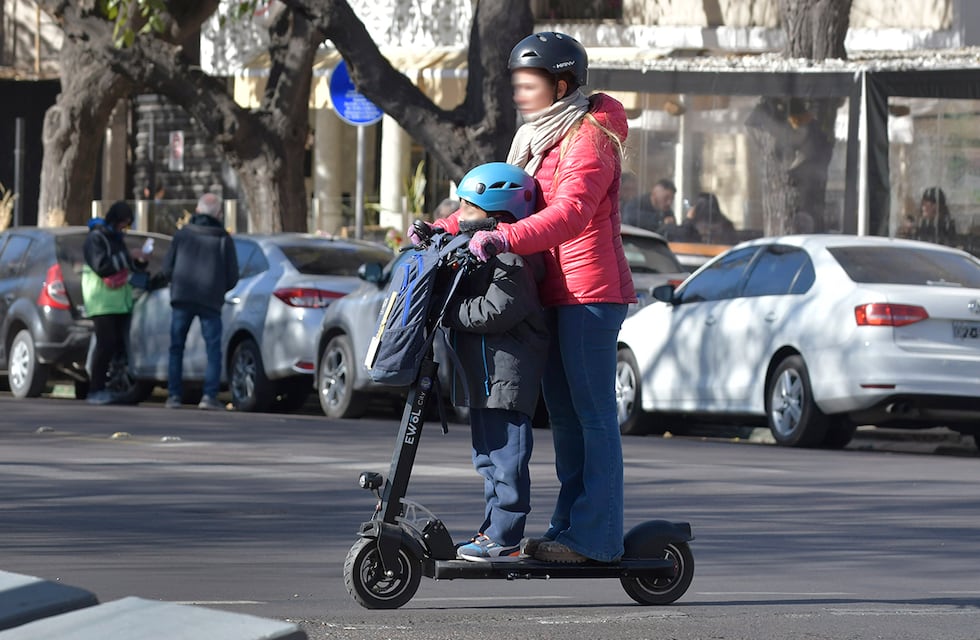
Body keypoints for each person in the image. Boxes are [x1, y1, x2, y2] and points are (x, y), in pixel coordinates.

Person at [426, 32, 634, 564]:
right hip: (552, 290)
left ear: (561, 85)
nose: (519, 93)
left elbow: (570, 213)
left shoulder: (590, 136)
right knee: (564, 419)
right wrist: (442, 228)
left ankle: (597, 537)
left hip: (589, 293)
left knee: (592, 418)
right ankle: (568, 528)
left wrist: (504, 239)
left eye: (530, 83)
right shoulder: (539, 138)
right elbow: (504, 202)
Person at [444, 163, 549, 562]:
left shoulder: (513, 259)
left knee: (507, 461)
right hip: (487, 378)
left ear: (497, 213)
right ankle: (491, 531)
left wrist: (450, 310)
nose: (460, 217)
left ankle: (505, 536)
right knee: (487, 459)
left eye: (467, 209)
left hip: (507, 378)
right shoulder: (485, 254)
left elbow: (494, 311)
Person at [160, 193, 239, 410]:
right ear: (219, 214)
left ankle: (174, 396)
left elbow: (167, 268)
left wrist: (175, 283)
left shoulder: (182, 234)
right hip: (210, 299)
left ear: (197, 210)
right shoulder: (223, 238)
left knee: (176, 347)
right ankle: (209, 396)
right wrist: (218, 288)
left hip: (182, 297)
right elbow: (233, 275)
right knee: (213, 350)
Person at [82, 201, 146, 405]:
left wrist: (140, 261)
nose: (124, 228)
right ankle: (95, 389)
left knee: (116, 346)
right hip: (101, 300)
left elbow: (124, 266)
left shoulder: (116, 238)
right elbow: (102, 266)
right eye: (122, 223)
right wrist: (128, 257)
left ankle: (112, 386)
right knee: (105, 344)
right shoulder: (96, 238)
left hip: (118, 300)